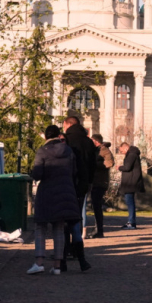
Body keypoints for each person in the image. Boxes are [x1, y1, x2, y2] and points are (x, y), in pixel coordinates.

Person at [27, 125, 81, 276]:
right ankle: (57, 266)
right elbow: (74, 171)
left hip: (47, 192)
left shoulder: (42, 151)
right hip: (65, 191)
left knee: (40, 227)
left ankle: (39, 262)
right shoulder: (68, 151)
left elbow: (37, 174)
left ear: (45, 136)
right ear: (59, 135)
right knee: (59, 228)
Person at [63, 115, 96, 270]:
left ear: (68, 124)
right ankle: (80, 255)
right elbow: (92, 165)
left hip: (67, 184)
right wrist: (89, 182)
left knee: (64, 220)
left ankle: (65, 253)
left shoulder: (66, 141)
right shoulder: (88, 142)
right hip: (82, 184)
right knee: (77, 217)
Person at [89, 133, 114, 239]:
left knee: (97, 206)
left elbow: (110, 163)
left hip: (100, 182)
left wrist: (95, 164)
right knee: (95, 206)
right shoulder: (96, 150)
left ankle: (99, 230)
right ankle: (98, 229)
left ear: (95, 141)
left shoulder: (104, 150)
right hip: (94, 181)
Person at [118, 141, 145, 230]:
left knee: (130, 202)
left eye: (122, 151)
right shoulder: (133, 154)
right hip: (131, 182)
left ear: (126, 148)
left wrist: (119, 167)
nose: (122, 153)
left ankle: (131, 222)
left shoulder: (131, 155)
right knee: (130, 202)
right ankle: (131, 221)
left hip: (130, 183)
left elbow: (127, 167)